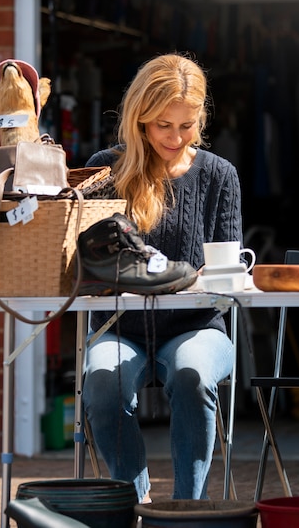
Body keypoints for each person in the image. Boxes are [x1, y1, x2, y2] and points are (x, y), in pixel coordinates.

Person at [81, 53, 243, 503]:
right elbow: (91, 264)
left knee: (192, 375)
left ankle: (188, 510)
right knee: (101, 385)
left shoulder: (218, 176)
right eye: (162, 125)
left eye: (186, 125)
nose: (174, 137)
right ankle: (136, 506)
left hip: (197, 327)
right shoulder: (105, 170)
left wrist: (207, 278)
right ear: (139, 120)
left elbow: (227, 271)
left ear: (201, 119)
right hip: (119, 327)